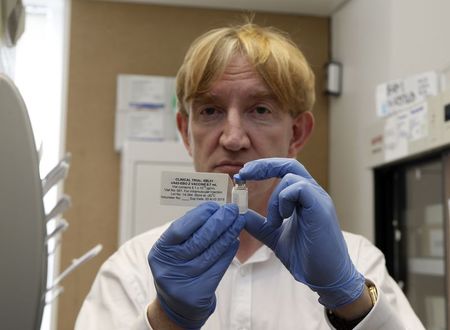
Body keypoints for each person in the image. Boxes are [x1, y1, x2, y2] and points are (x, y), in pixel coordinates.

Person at [75, 23, 424, 329]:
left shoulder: (356, 261)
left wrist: (349, 300)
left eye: (260, 110)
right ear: (185, 132)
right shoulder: (132, 270)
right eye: (210, 111)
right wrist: (166, 320)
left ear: (297, 133)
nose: (232, 138)